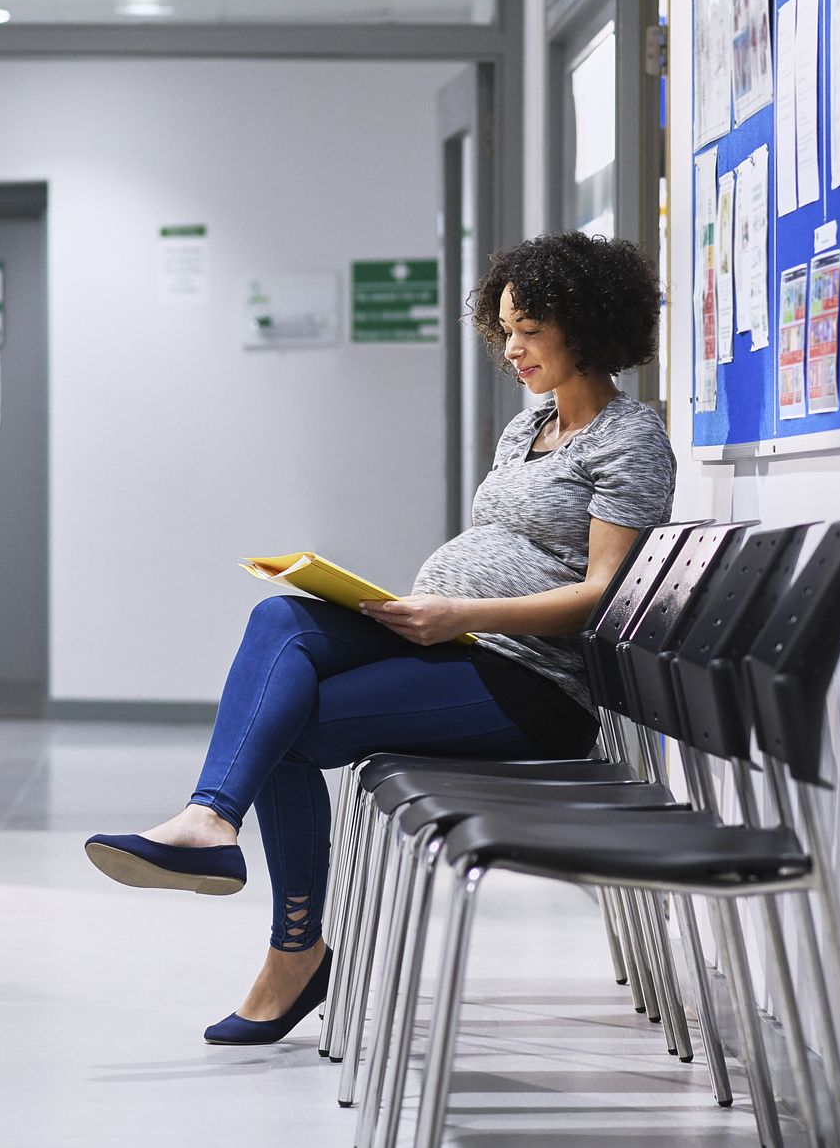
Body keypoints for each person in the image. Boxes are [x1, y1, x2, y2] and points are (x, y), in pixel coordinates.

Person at [84, 232, 677, 1045]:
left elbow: (601, 596)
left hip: (532, 687)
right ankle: (210, 821)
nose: (511, 349)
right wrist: (416, 609)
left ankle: (290, 949)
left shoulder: (629, 438)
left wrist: (458, 613)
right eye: (503, 329)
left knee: (284, 733)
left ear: (587, 324)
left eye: (529, 329)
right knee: (281, 616)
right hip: (455, 649)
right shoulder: (526, 428)